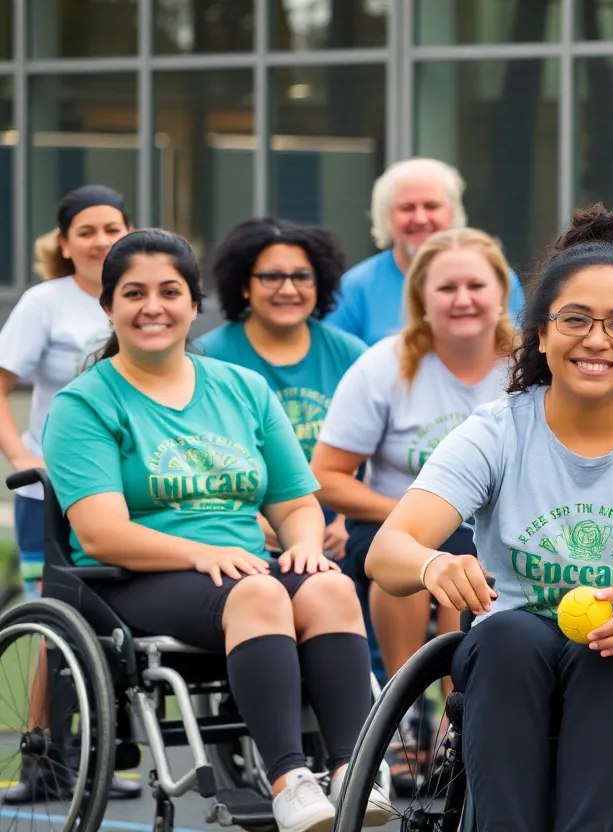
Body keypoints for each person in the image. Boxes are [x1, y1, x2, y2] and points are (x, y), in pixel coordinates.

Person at [364, 203, 613, 832]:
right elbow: (388, 553)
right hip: (515, 643)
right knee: (504, 634)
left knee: (607, 648)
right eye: (574, 319)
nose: (596, 340)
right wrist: (435, 562)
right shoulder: (496, 431)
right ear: (541, 334)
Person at [40, 229, 391, 832]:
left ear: (195, 303)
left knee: (330, 586)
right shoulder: (86, 404)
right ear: (108, 308)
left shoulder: (243, 389)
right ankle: (288, 782)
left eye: (170, 291)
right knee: (258, 591)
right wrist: (204, 552)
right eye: (134, 293)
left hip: (240, 568)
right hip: (133, 575)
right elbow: (100, 534)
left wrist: (305, 543)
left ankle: (350, 771)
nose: (153, 306)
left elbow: (294, 502)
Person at [310, 226, 512, 790]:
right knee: (426, 549)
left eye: (477, 284)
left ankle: (459, 722)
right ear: (422, 298)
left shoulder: (528, 368)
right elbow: (325, 476)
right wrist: (413, 508)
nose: (463, 299)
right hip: (398, 528)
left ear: (502, 293)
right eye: (447, 287)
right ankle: (403, 715)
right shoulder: (384, 366)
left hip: (498, 532)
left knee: (468, 553)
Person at [0, 184, 141, 804]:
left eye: (112, 227)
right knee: (57, 619)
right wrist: (21, 457)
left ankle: (109, 748)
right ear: (64, 243)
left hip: (126, 487)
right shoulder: (45, 302)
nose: (100, 240)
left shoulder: (140, 293)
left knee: (118, 616)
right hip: (53, 495)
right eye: (85, 230)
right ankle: (44, 753)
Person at [198, 218, 366, 562]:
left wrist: (350, 523)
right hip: (240, 529)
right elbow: (194, 457)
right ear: (244, 285)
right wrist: (254, 522)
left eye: (301, 276)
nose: (288, 289)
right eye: (272, 277)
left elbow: (378, 455)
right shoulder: (205, 358)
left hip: (341, 529)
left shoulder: (353, 355)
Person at [327, 158, 526, 344]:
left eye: (431, 206)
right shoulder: (356, 286)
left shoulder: (497, 278)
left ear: (453, 213)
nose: (420, 219)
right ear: (386, 217)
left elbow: (517, 351)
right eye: (407, 208)